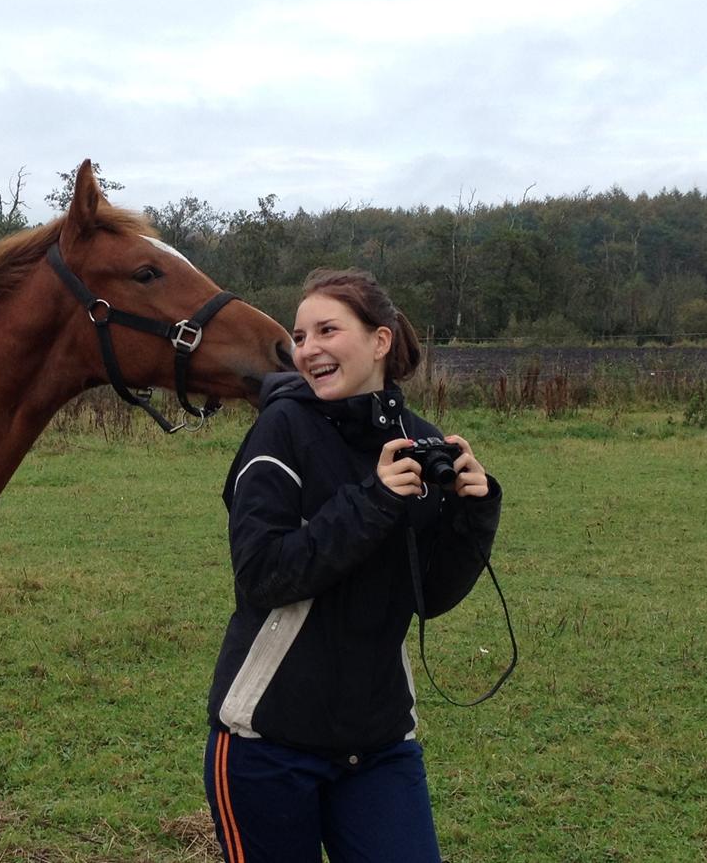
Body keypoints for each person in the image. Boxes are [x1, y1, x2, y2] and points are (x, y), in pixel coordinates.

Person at [204, 268, 502, 863]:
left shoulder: (418, 442)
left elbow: (428, 596)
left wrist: (474, 512)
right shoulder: (280, 431)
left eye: (326, 330)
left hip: (381, 742)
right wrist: (374, 501)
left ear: (380, 341)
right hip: (269, 741)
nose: (306, 348)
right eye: (300, 335)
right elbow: (263, 573)